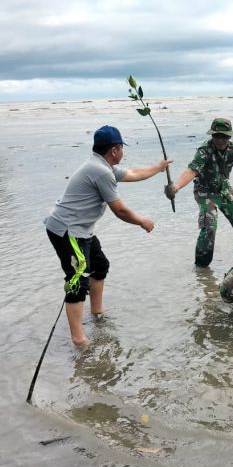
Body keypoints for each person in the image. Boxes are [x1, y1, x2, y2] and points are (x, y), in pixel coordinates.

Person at [45, 125, 172, 346]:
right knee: (77, 281)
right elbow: (120, 210)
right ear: (114, 150)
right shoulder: (101, 171)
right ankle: (79, 340)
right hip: (68, 231)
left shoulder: (102, 166)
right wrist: (142, 221)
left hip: (81, 231)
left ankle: (97, 314)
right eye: (122, 148)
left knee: (100, 265)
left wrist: (159, 168)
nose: (123, 152)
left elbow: (133, 174)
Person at [165, 118, 233, 267]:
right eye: (216, 136)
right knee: (209, 226)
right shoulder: (204, 150)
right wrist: (176, 187)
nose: (220, 140)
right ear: (212, 135)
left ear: (229, 136)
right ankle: (202, 267)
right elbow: (193, 170)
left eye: (224, 136)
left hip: (224, 190)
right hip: (204, 192)